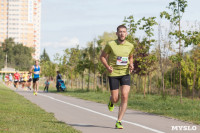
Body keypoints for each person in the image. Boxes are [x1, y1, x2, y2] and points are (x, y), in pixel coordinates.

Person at [100, 25, 134, 129]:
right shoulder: (111, 44)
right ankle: (111, 101)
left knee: (125, 95)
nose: (122, 33)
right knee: (115, 98)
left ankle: (119, 121)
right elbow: (102, 57)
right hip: (113, 74)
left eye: (124, 32)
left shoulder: (130, 45)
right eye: (120, 32)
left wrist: (131, 64)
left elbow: (131, 57)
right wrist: (107, 67)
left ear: (126, 33)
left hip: (125, 73)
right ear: (116, 33)